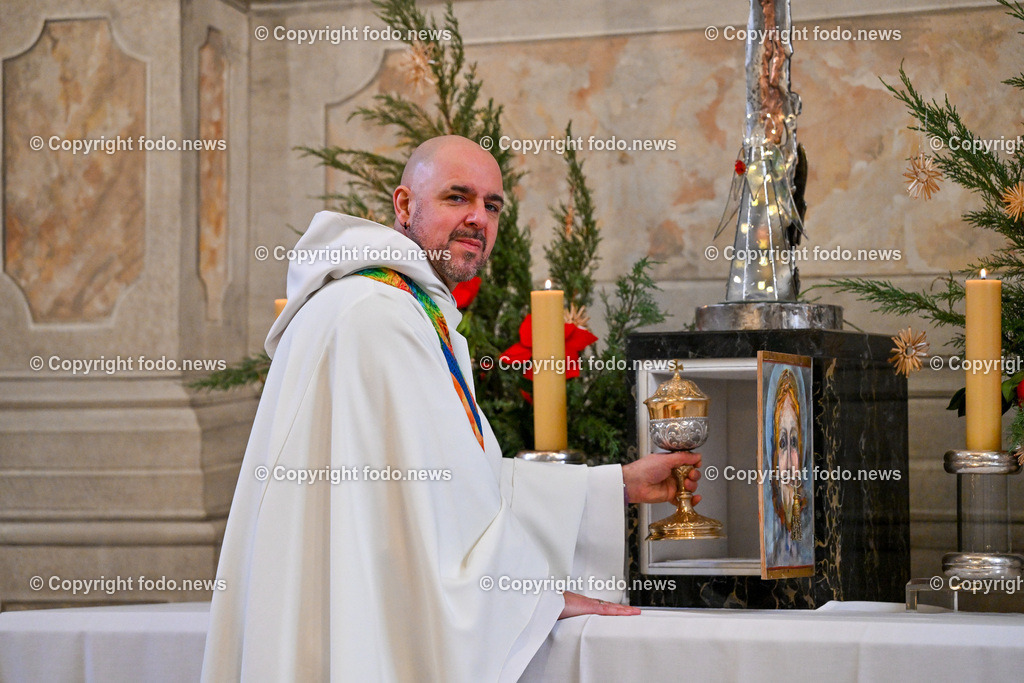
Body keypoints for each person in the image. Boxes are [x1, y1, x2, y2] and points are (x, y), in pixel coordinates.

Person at [201, 135, 701, 681]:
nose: (477, 219)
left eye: (492, 205)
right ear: (403, 205)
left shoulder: (405, 309)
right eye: (456, 197)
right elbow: (421, 530)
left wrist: (615, 486)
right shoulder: (376, 316)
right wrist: (526, 597)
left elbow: (457, 488)